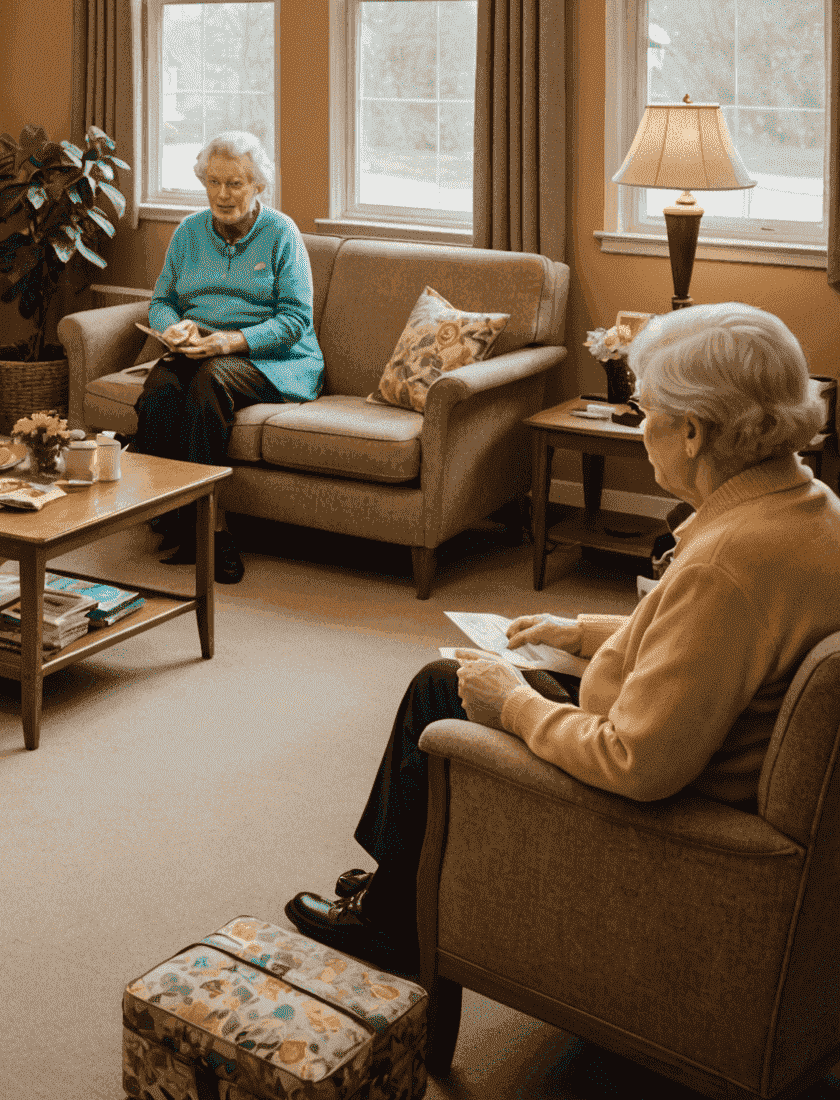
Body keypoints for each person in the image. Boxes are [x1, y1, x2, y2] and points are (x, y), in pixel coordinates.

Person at [283, 302, 840, 976]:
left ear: (692, 432)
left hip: (668, 811)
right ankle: (399, 878)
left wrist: (512, 705)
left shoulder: (724, 566)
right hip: (700, 742)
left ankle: (391, 920)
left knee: (445, 689)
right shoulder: (807, 509)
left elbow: (636, 763)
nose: (640, 429)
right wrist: (581, 634)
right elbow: (715, 646)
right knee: (475, 675)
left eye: (646, 412)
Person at [135, 131, 323, 584]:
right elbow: (162, 300)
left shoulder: (281, 233)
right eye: (214, 182)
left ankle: (213, 529)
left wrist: (229, 341)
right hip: (199, 350)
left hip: (274, 360)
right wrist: (171, 327)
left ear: (258, 186)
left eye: (236, 183)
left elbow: (295, 319)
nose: (223, 194)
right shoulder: (189, 231)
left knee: (209, 382)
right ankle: (171, 516)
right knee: (160, 387)